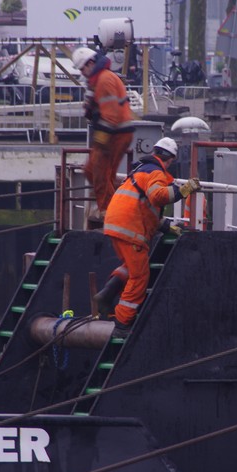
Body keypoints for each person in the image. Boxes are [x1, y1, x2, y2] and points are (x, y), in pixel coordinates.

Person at [95, 137, 201, 337]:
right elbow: (158, 196)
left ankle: (107, 293)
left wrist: (166, 226)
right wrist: (185, 189)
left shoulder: (139, 171)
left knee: (130, 265)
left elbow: (143, 206)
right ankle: (122, 324)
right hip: (130, 228)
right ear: (170, 159)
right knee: (140, 277)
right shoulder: (156, 172)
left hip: (115, 224)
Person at [73, 46, 136, 225]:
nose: (82, 73)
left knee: (99, 172)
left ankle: (109, 211)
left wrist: (100, 141)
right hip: (113, 133)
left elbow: (111, 114)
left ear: (90, 63)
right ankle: (119, 205)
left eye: (82, 69)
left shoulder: (104, 80)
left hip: (115, 134)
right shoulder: (99, 80)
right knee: (93, 171)